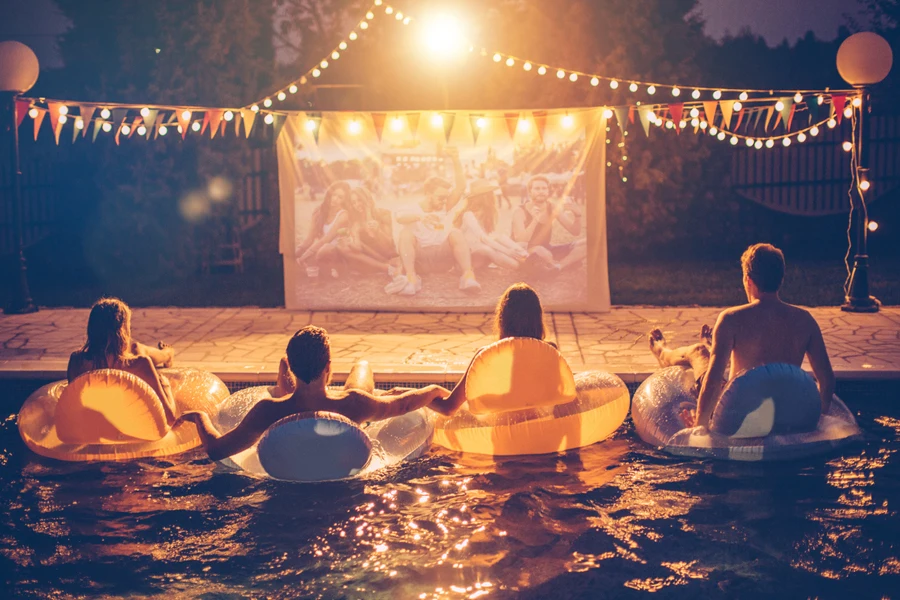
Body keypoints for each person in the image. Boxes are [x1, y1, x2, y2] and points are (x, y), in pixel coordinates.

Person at [176, 326, 451, 461]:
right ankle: (354, 370)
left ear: (293, 370)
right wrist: (433, 389)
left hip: (290, 404)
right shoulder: (354, 404)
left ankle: (293, 382)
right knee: (362, 366)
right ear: (329, 370)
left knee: (354, 376)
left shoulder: (268, 411)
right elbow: (401, 406)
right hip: (348, 408)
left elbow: (216, 450)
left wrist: (200, 416)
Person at [649, 243, 836, 430]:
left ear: (747, 279)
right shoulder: (805, 320)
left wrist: (701, 426)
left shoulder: (732, 318)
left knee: (698, 352)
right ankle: (716, 346)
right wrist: (817, 421)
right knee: (716, 352)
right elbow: (827, 380)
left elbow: (713, 382)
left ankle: (661, 350)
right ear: (781, 278)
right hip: (785, 411)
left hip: (736, 414)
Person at [431, 283, 557, 416]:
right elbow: (561, 397)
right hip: (540, 431)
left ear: (503, 319)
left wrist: (430, 393)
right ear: (537, 317)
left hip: (499, 433)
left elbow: (449, 408)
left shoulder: (487, 355)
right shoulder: (550, 351)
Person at [66, 297, 177, 425]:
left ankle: (167, 354)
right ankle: (168, 354)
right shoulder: (141, 364)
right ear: (123, 331)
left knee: (135, 348)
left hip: (91, 432)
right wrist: (166, 387)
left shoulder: (76, 361)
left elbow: (72, 410)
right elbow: (170, 418)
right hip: (133, 432)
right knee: (137, 349)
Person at [387, 147, 481, 296]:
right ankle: (412, 279)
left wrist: (455, 159)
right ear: (428, 194)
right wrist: (421, 217)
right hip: (421, 261)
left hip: (443, 259)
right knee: (406, 234)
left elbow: (461, 187)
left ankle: (467, 277)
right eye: (440, 197)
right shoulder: (413, 207)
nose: (444, 201)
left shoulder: (445, 206)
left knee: (455, 232)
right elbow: (399, 218)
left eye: (446, 197)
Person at [511, 175, 587, 271]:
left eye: (544, 188)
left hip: (547, 249)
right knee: (541, 251)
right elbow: (521, 240)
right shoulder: (520, 211)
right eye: (537, 188)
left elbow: (575, 232)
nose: (541, 191)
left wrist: (577, 215)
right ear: (530, 191)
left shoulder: (552, 207)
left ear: (548, 191)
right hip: (525, 252)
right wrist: (535, 219)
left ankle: (558, 267)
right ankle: (560, 263)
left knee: (589, 243)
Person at [453, 180, 529, 270]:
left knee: (500, 238)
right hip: (468, 257)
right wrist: (507, 251)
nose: (492, 196)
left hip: (481, 253)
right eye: (489, 194)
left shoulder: (486, 213)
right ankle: (523, 266)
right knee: (488, 248)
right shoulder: (468, 214)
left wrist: (512, 249)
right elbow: (483, 238)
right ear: (482, 197)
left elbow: (491, 237)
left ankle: (526, 257)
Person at [295, 181, 352, 277]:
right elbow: (309, 239)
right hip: (319, 249)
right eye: (334, 195)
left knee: (323, 250)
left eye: (340, 197)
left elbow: (326, 240)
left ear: (344, 200)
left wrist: (302, 258)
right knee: (291, 258)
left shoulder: (343, 215)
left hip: (335, 252)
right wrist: (295, 254)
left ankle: (333, 270)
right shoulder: (318, 211)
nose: (335, 199)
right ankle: (314, 268)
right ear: (330, 194)